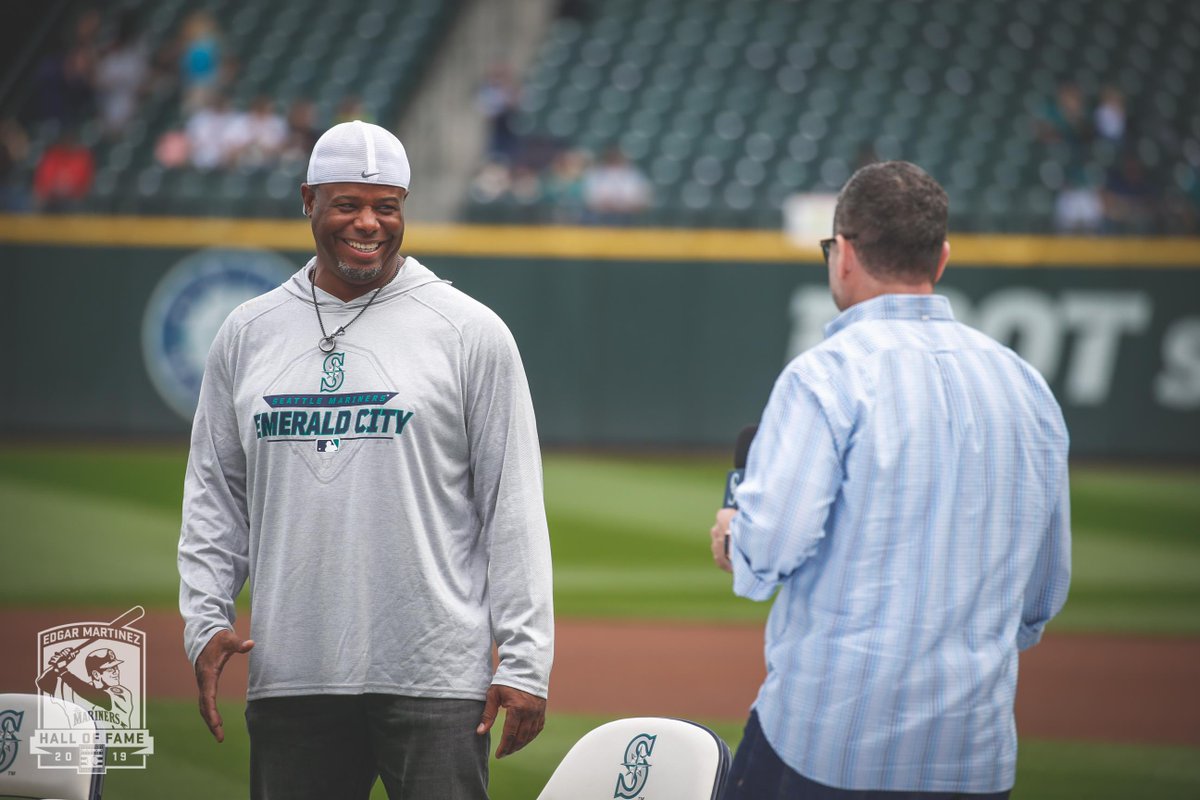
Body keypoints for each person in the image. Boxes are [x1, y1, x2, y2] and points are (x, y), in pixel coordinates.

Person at [178, 120, 554, 800]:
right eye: (347, 204)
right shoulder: (247, 332)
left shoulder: (470, 331)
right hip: (292, 673)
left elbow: (514, 504)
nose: (369, 223)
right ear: (309, 201)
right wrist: (205, 621)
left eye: (387, 206)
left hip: (435, 676)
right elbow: (215, 496)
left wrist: (526, 661)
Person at [709, 161, 1070, 799]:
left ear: (844, 254)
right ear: (942, 257)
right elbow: (1039, 599)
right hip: (974, 756)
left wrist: (734, 536)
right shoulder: (1026, 385)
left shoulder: (824, 374)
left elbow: (765, 555)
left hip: (826, 747)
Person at [35, 647, 134, 729]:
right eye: (110, 669)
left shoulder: (122, 693)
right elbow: (42, 683)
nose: (116, 672)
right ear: (96, 674)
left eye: (116, 668)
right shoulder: (74, 689)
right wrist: (57, 667)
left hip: (114, 744)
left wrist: (63, 670)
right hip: (80, 745)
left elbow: (100, 698)